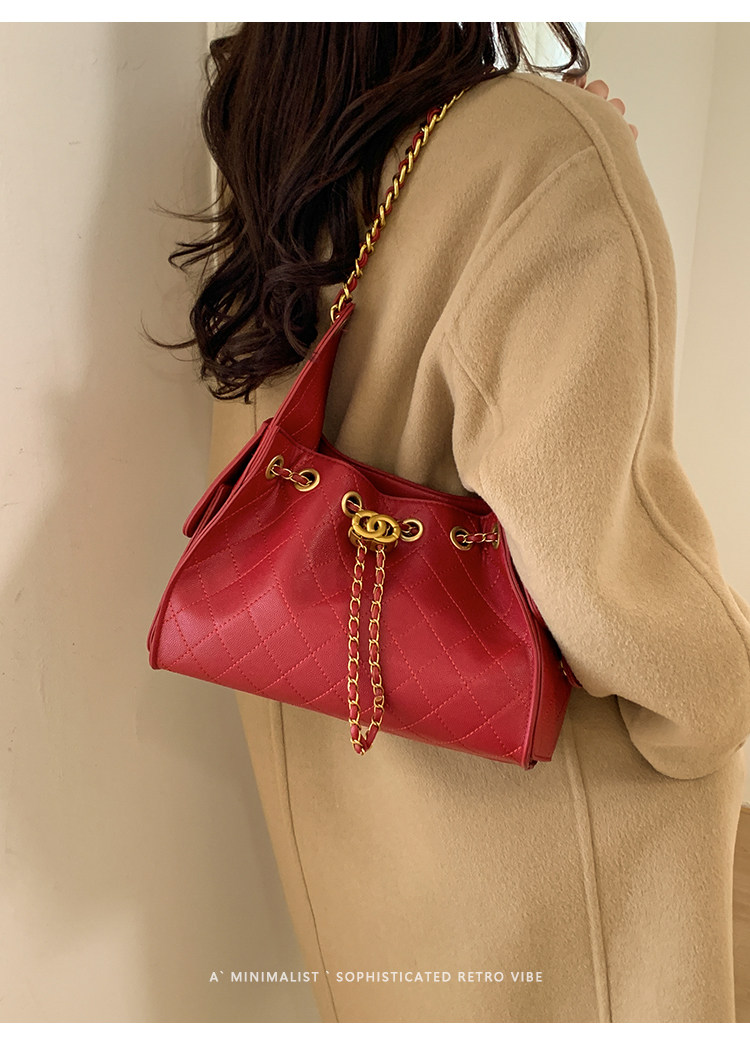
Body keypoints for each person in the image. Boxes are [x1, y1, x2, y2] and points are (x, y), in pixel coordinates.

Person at [159, 23, 750, 1023]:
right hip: (556, 856)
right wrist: (717, 699)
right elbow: (607, 557)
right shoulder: (538, 148)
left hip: (362, 836)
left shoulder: (268, 142)